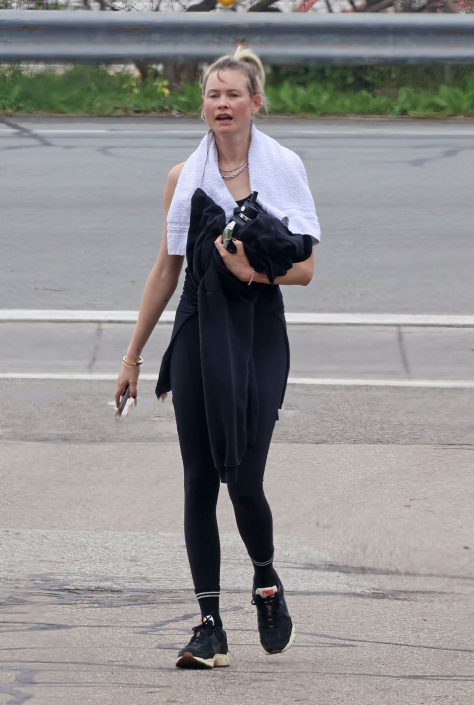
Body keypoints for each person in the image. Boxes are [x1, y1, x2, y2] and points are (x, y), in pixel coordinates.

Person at [115, 46, 320, 670]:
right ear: (202, 105)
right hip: (201, 328)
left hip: (256, 331)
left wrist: (253, 270)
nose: (222, 104)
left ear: (255, 103)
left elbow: (306, 269)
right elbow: (165, 270)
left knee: (245, 478)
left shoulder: (283, 169)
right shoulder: (185, 178)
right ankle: (209, 625)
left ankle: (265, 579)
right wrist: (133, 358)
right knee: (199, 479)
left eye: (233, 94)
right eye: (212, 95)